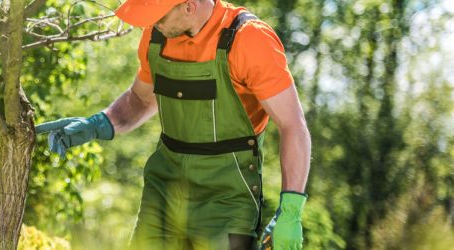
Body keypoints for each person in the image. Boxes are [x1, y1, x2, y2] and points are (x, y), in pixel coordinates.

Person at [35, 0, 312, 249]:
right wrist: (97, 124)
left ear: (189, 6)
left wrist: (290, 209)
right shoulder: (157, 36)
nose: (152, 24)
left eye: (159, 16)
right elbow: (141, 100)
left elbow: (292, 125)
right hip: (163, 192)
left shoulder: (248, 39)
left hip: (225, 200)